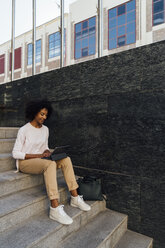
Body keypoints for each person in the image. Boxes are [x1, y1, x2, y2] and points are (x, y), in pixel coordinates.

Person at [12, 99, 91, 225]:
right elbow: (15, 153)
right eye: (41, 114)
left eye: (45, 115)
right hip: (25, 163)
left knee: (66, 159)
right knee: (50, 164)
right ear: (34, 113)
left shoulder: (45, 129)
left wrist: (48, 152)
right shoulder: (24, 130)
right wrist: (39, 155)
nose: (44, 117)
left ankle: (75, 197)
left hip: (41, 160)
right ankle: (54, 207)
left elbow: (45, 146)